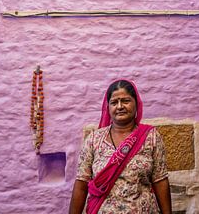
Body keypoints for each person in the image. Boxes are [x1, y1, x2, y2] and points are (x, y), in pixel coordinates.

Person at [69, 79, 172, 214]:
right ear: (108, 107)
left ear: (137, 104)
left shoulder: (150, 137)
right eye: (114, 102)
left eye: (125, 101)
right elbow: (81, 184)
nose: (119, 106)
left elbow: (160, 181)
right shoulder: (94, 139)